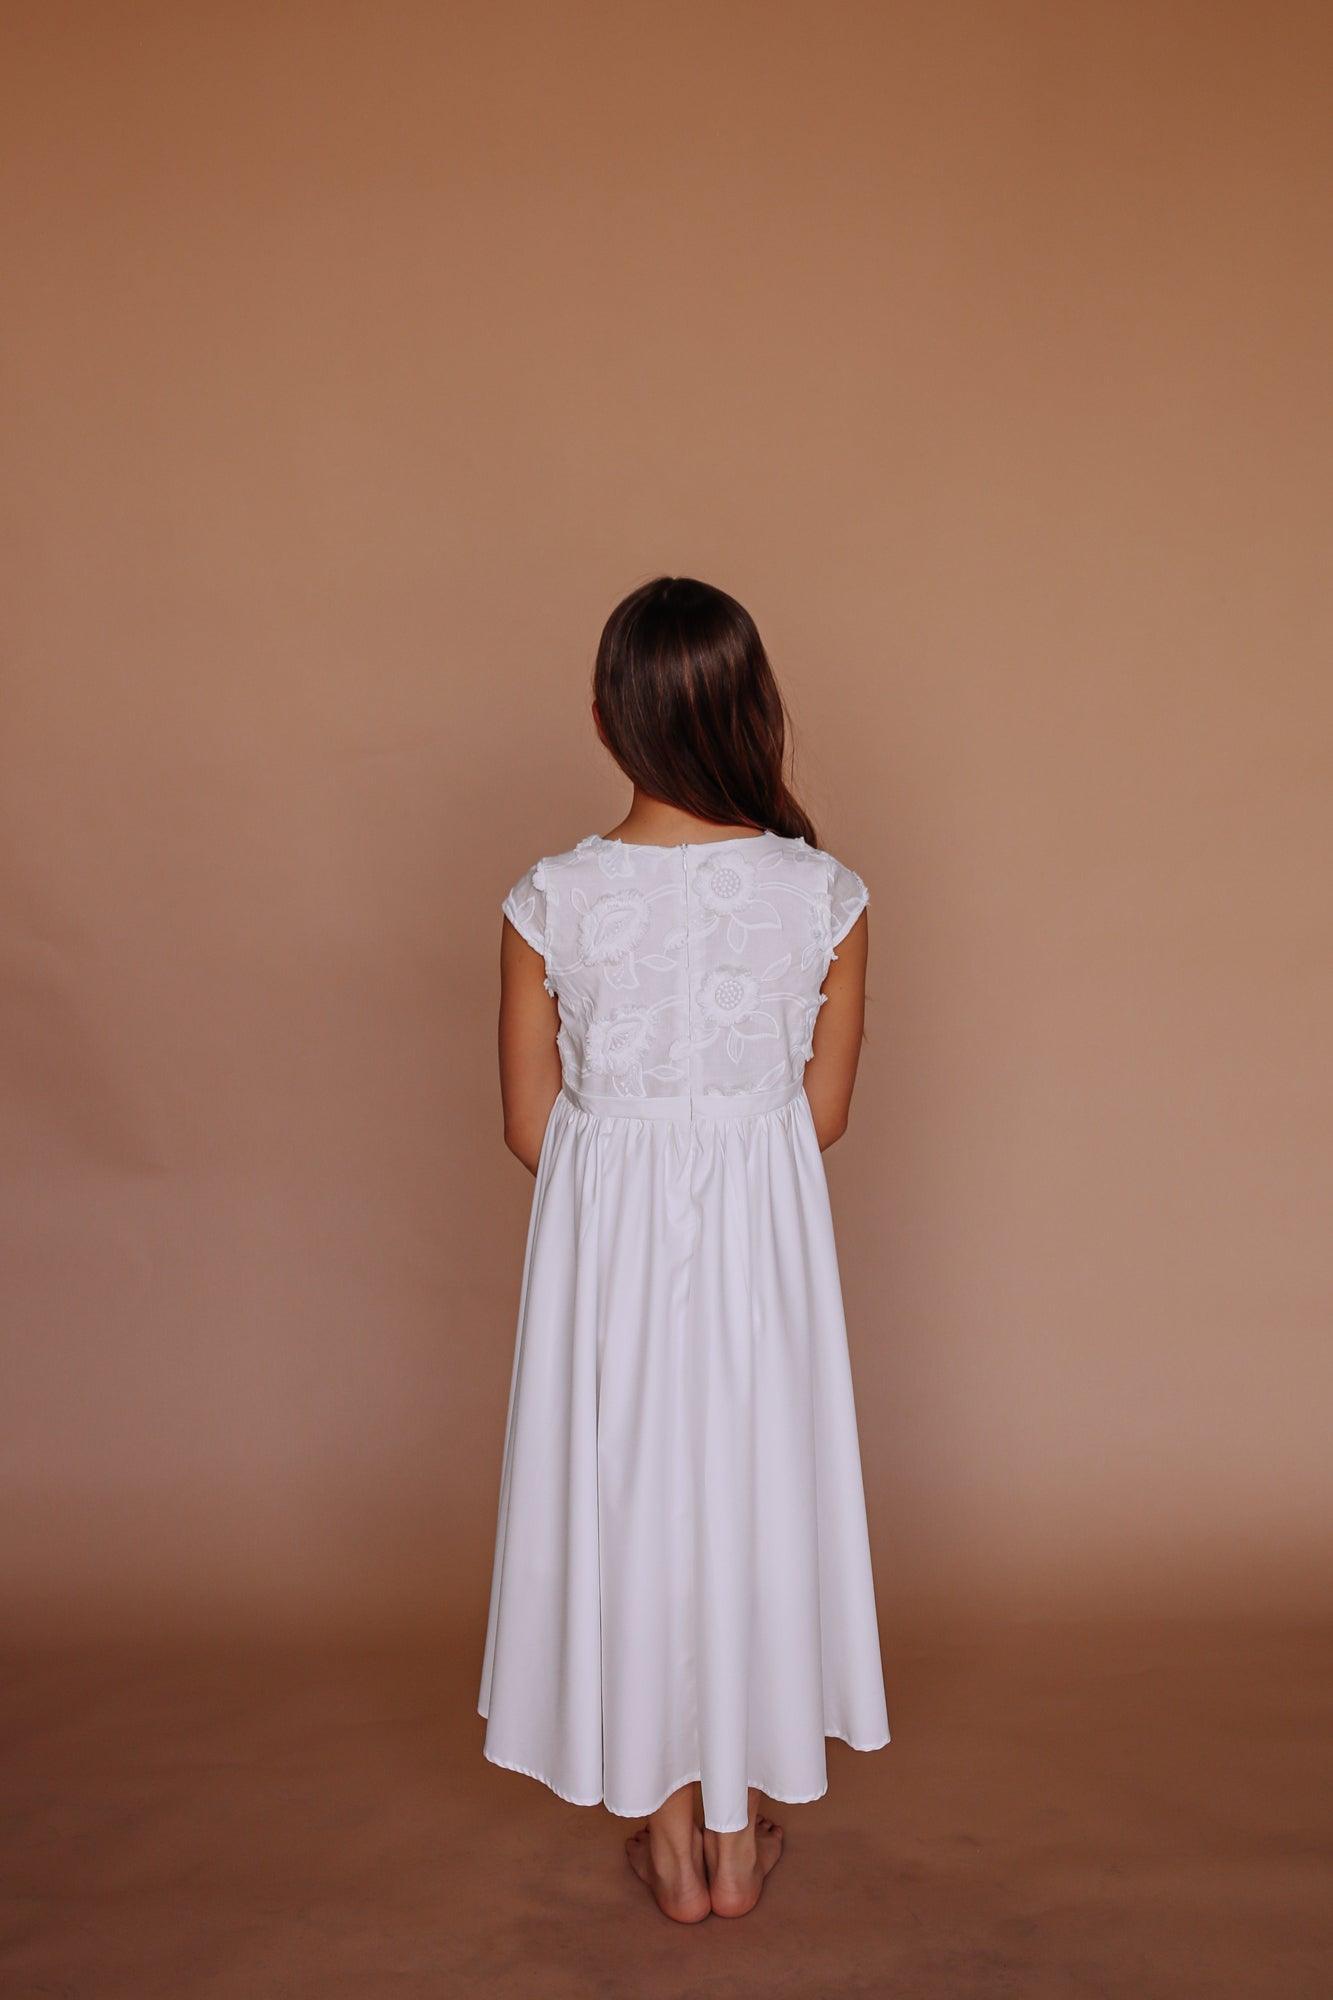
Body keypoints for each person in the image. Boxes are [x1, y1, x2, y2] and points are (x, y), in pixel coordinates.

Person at [478, 576, 890, 1922]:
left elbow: (528, 1121)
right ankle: (735, 1834)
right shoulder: (826, 896)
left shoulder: (548, 899)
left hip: (603, 1254)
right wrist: (724, 1182)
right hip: (764, 1257)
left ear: (606, 719)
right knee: (749, 1494)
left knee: (630, 1504)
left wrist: (631, 1196)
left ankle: (666, 1838)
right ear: (754, 711)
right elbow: (822, 1113)